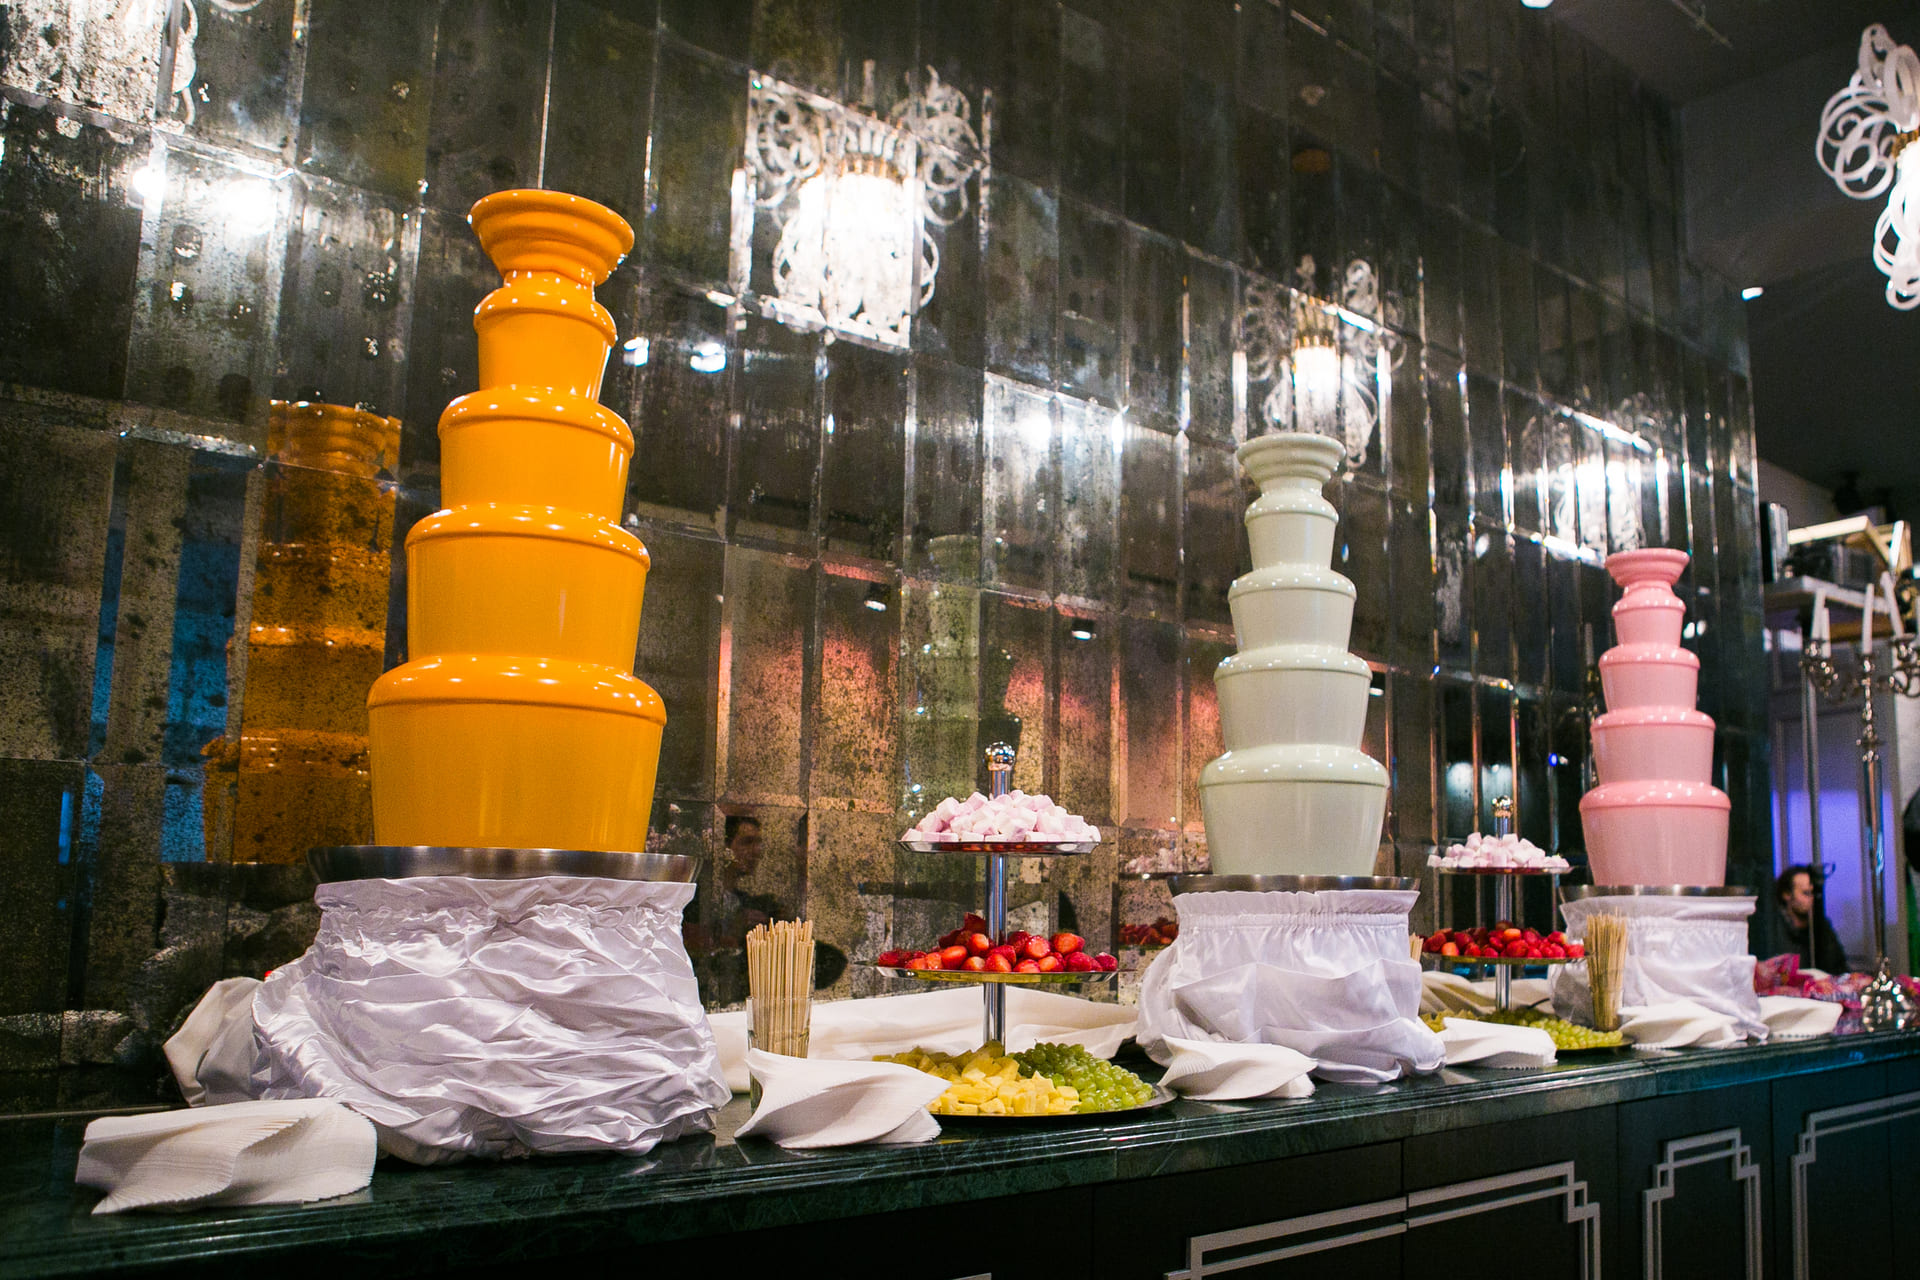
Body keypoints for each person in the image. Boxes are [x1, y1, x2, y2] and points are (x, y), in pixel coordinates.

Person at [1771, 865, 1848, 974]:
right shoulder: (1774, 928)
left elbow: (1839, 966)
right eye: (1806, 893)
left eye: (1813, 893)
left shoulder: (1820, 926)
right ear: (1787, 894)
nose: (1811, 898)